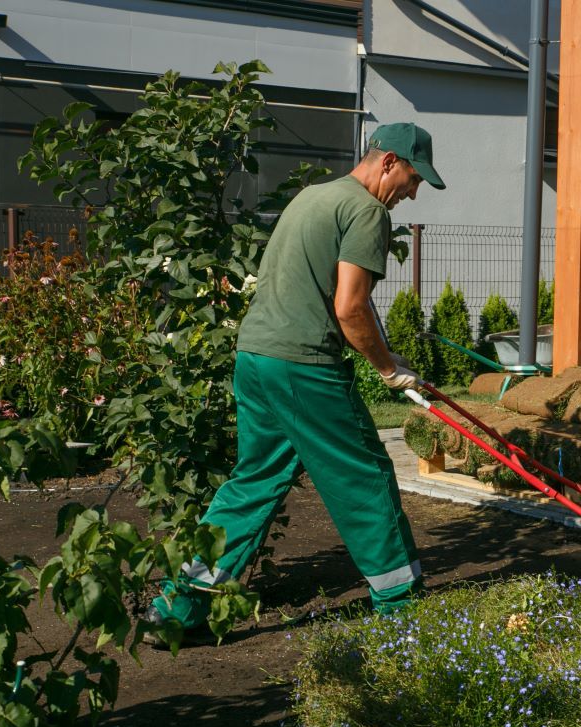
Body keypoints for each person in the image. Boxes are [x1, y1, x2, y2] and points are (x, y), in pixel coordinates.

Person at [145, 122, 446, 642]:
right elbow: (349, 307)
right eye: (415, 179)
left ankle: (177, 608)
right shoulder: (367, 211)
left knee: (254, 483)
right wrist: (388, 368)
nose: (414, 194)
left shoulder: (315, 197)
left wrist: (381, 346)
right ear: (390, 161)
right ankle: (400, 607)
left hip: (256, 357)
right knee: (365, 476)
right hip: (303, 367)